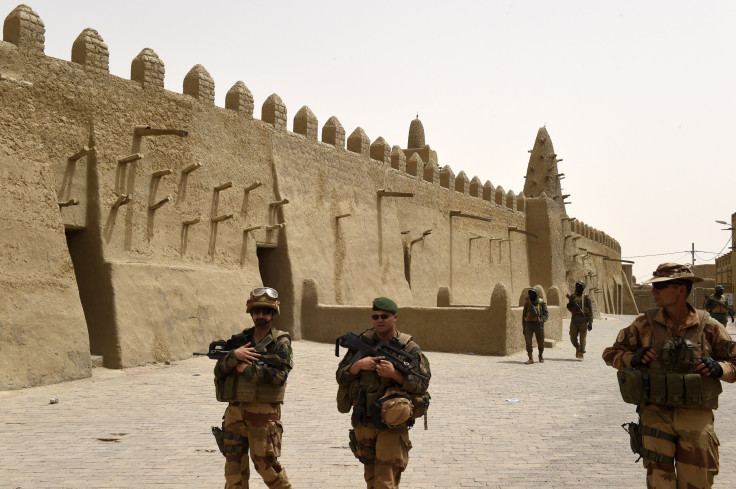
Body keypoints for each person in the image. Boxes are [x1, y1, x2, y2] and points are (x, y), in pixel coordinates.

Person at [602, 263, 736, 489]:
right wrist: (632, 359)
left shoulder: (710, 327)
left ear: (681, 290)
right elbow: (610, 353)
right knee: (659, 482)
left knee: (697, 482)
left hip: (695, 418)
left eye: (660, 287)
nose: (654, 291)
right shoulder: (644, 324)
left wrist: (718, 368)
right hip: (655, 416)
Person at [336, 297, 431, 489]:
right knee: (371, 480)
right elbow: (340, 376)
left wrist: (396, 375)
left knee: (385, 482)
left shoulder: (409, 348)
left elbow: (423, 383)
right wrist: (357, 366)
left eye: (384, 316)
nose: (379, 320)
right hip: (365, 420)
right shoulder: (363, 343)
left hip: (392, 423)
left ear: (395, 317)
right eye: (375, 316)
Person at [213, 287, 293, 489]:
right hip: (235, 412)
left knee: (266, 467)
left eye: (266, 312)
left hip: (263, 413)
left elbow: (279, 376)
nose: (261, 316)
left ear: (273, 314)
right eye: (257, 311)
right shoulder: (239, 341)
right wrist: (234, 357)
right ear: (251, 312)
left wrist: (246, 369)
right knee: (234, 470)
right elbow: (219, 371)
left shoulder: (280, 342)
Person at [566, 280, 593, 361]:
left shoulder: (586, 297)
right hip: (574, 320)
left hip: (583, 321)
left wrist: (590, 322)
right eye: (576, 286)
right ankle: (577, 347)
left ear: (582, 288)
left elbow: (590, 310)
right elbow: (570, 308)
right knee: (572, 338)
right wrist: (570, 304)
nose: (577, 288)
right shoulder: (573, 297)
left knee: (582, 339)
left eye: (579, 286)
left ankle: (581, 353)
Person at [522, 286, 549, 364]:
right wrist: (524, 327)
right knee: (528, 342)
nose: (530, 295)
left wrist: (541, 319)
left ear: (536, 294)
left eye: (532, 293)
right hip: (529, 324)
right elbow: (523, 317)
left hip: (538, 324)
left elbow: (546, 314)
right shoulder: (527, 304)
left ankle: (540, 355)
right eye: (529, 293)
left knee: (541, 341)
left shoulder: (541, 303)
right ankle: (530, 358)